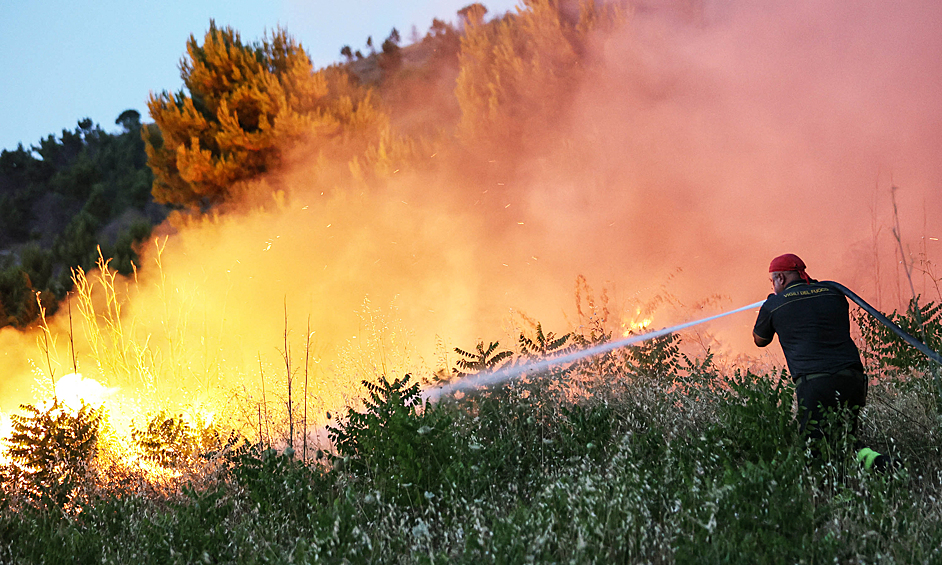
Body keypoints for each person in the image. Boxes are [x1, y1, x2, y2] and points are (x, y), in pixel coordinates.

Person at [753, 253, 889, 470]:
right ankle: (870, 468)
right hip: (852, 378)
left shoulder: (774, 304)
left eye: (772, 281)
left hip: (816, 383)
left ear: (780, 278)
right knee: (844, 438)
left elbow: (760, 340)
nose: (773, 286)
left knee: (814, 447)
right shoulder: (833, 293)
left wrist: (771, 305)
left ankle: (875, 469)